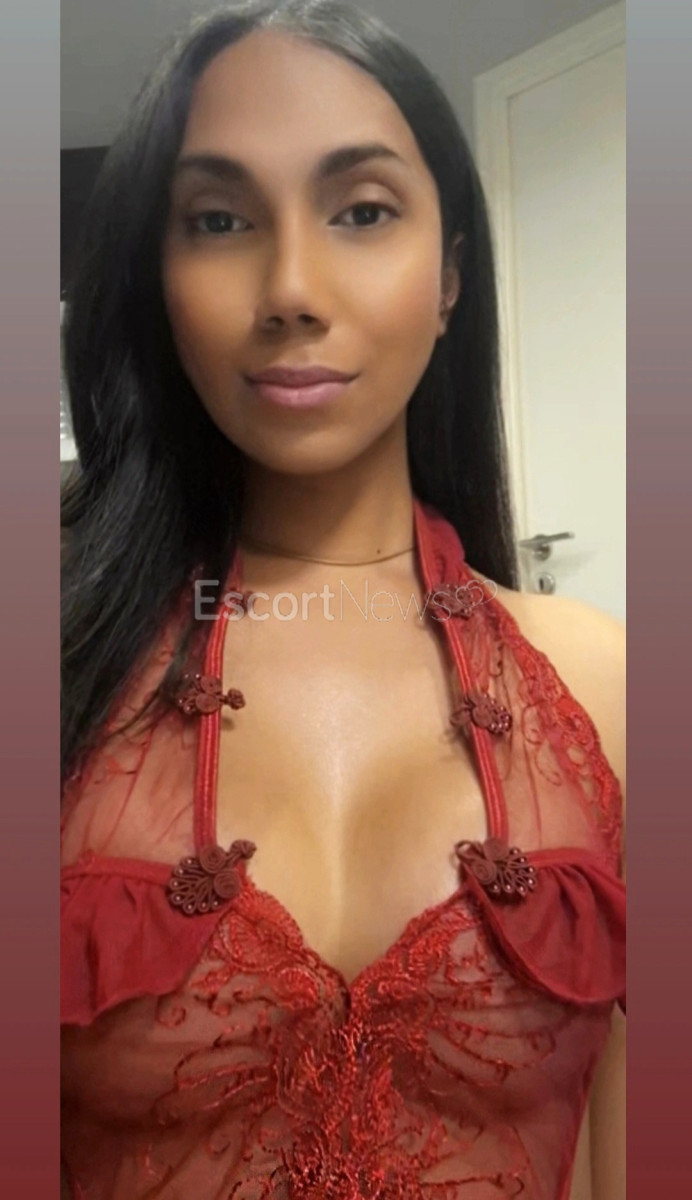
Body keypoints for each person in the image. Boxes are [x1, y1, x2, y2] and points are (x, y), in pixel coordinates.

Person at [60, 3, 625, 1197]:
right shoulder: (55, 673)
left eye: (361, 211)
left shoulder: (607, 685)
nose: (291, 289)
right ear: (157, 279)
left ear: (450, 274)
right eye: (219, 220)